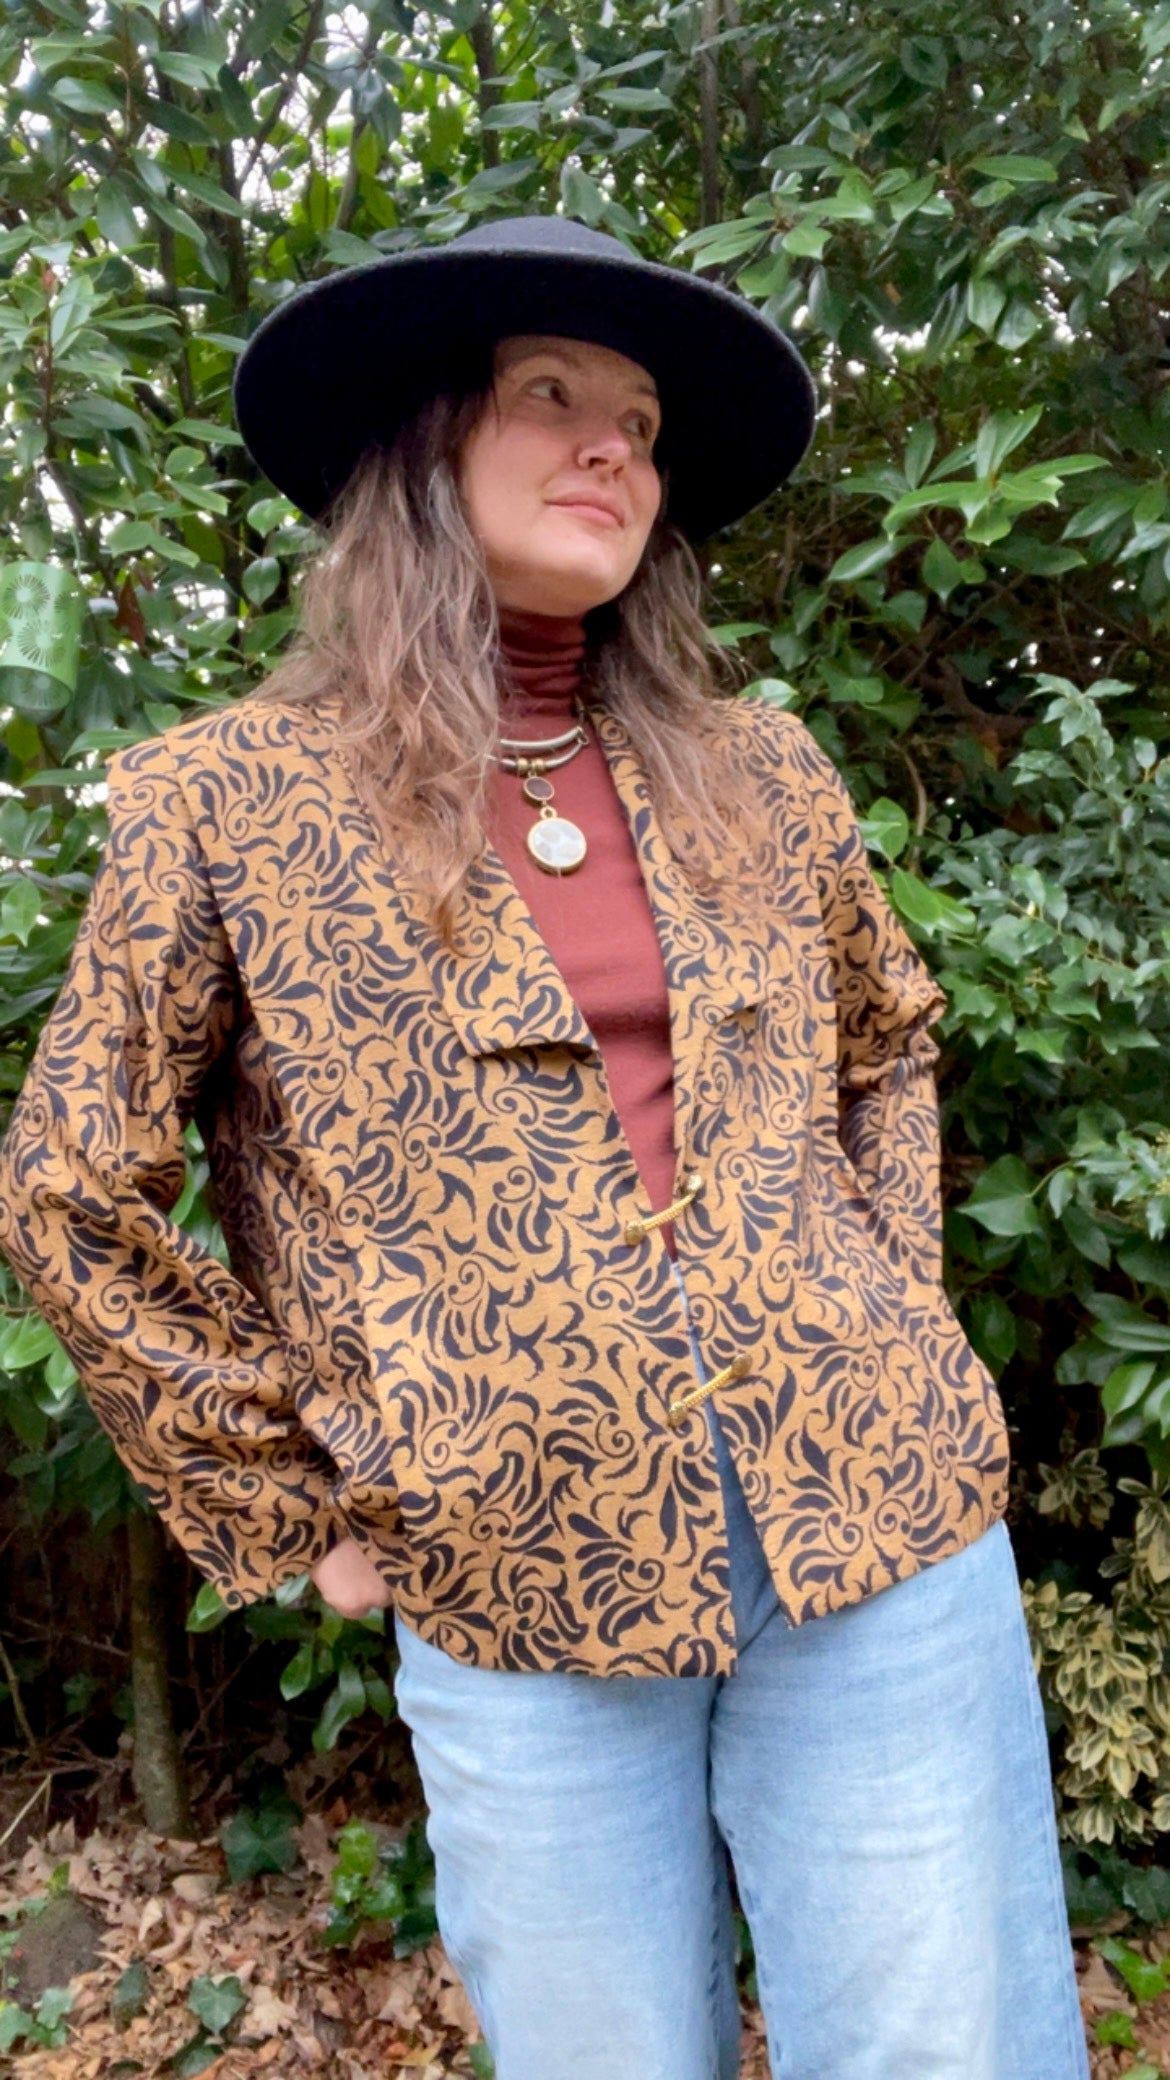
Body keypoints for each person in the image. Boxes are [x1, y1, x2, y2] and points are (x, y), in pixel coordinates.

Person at [0, 216, 1088, 2080]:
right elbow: (66, 1186)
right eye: (552, 396)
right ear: (422, 444)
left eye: (641, 426)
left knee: (944, 2046)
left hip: (878, 1518)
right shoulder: (230, 800)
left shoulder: (762, 770)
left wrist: (879, 1303)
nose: (613, 449)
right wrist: (293, 1502)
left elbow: (888, 1043)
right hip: (511, 1566)